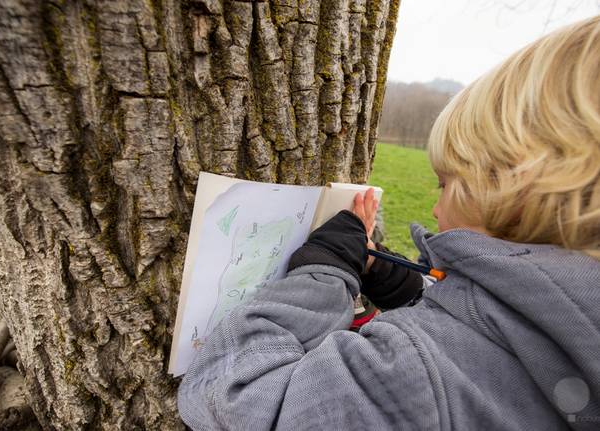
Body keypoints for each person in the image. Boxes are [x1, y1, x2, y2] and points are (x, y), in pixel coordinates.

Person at [178, 16, 600, 430]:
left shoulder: (417, 371)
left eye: (444, 184)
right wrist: (411, 289)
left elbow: (236, 400)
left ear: (515, 189)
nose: (435, 209)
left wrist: (324, 275)